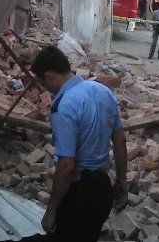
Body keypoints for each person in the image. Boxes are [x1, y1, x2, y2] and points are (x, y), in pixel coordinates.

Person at [32, 46, 128, 241]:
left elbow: (66, 165)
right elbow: (119, 141)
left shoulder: (63, 106)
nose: (45, 89)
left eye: (43, 83)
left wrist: (51, 211)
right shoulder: (102, 91)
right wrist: (122, 181)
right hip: (102, 188)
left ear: (49, 76)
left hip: (79, 194)